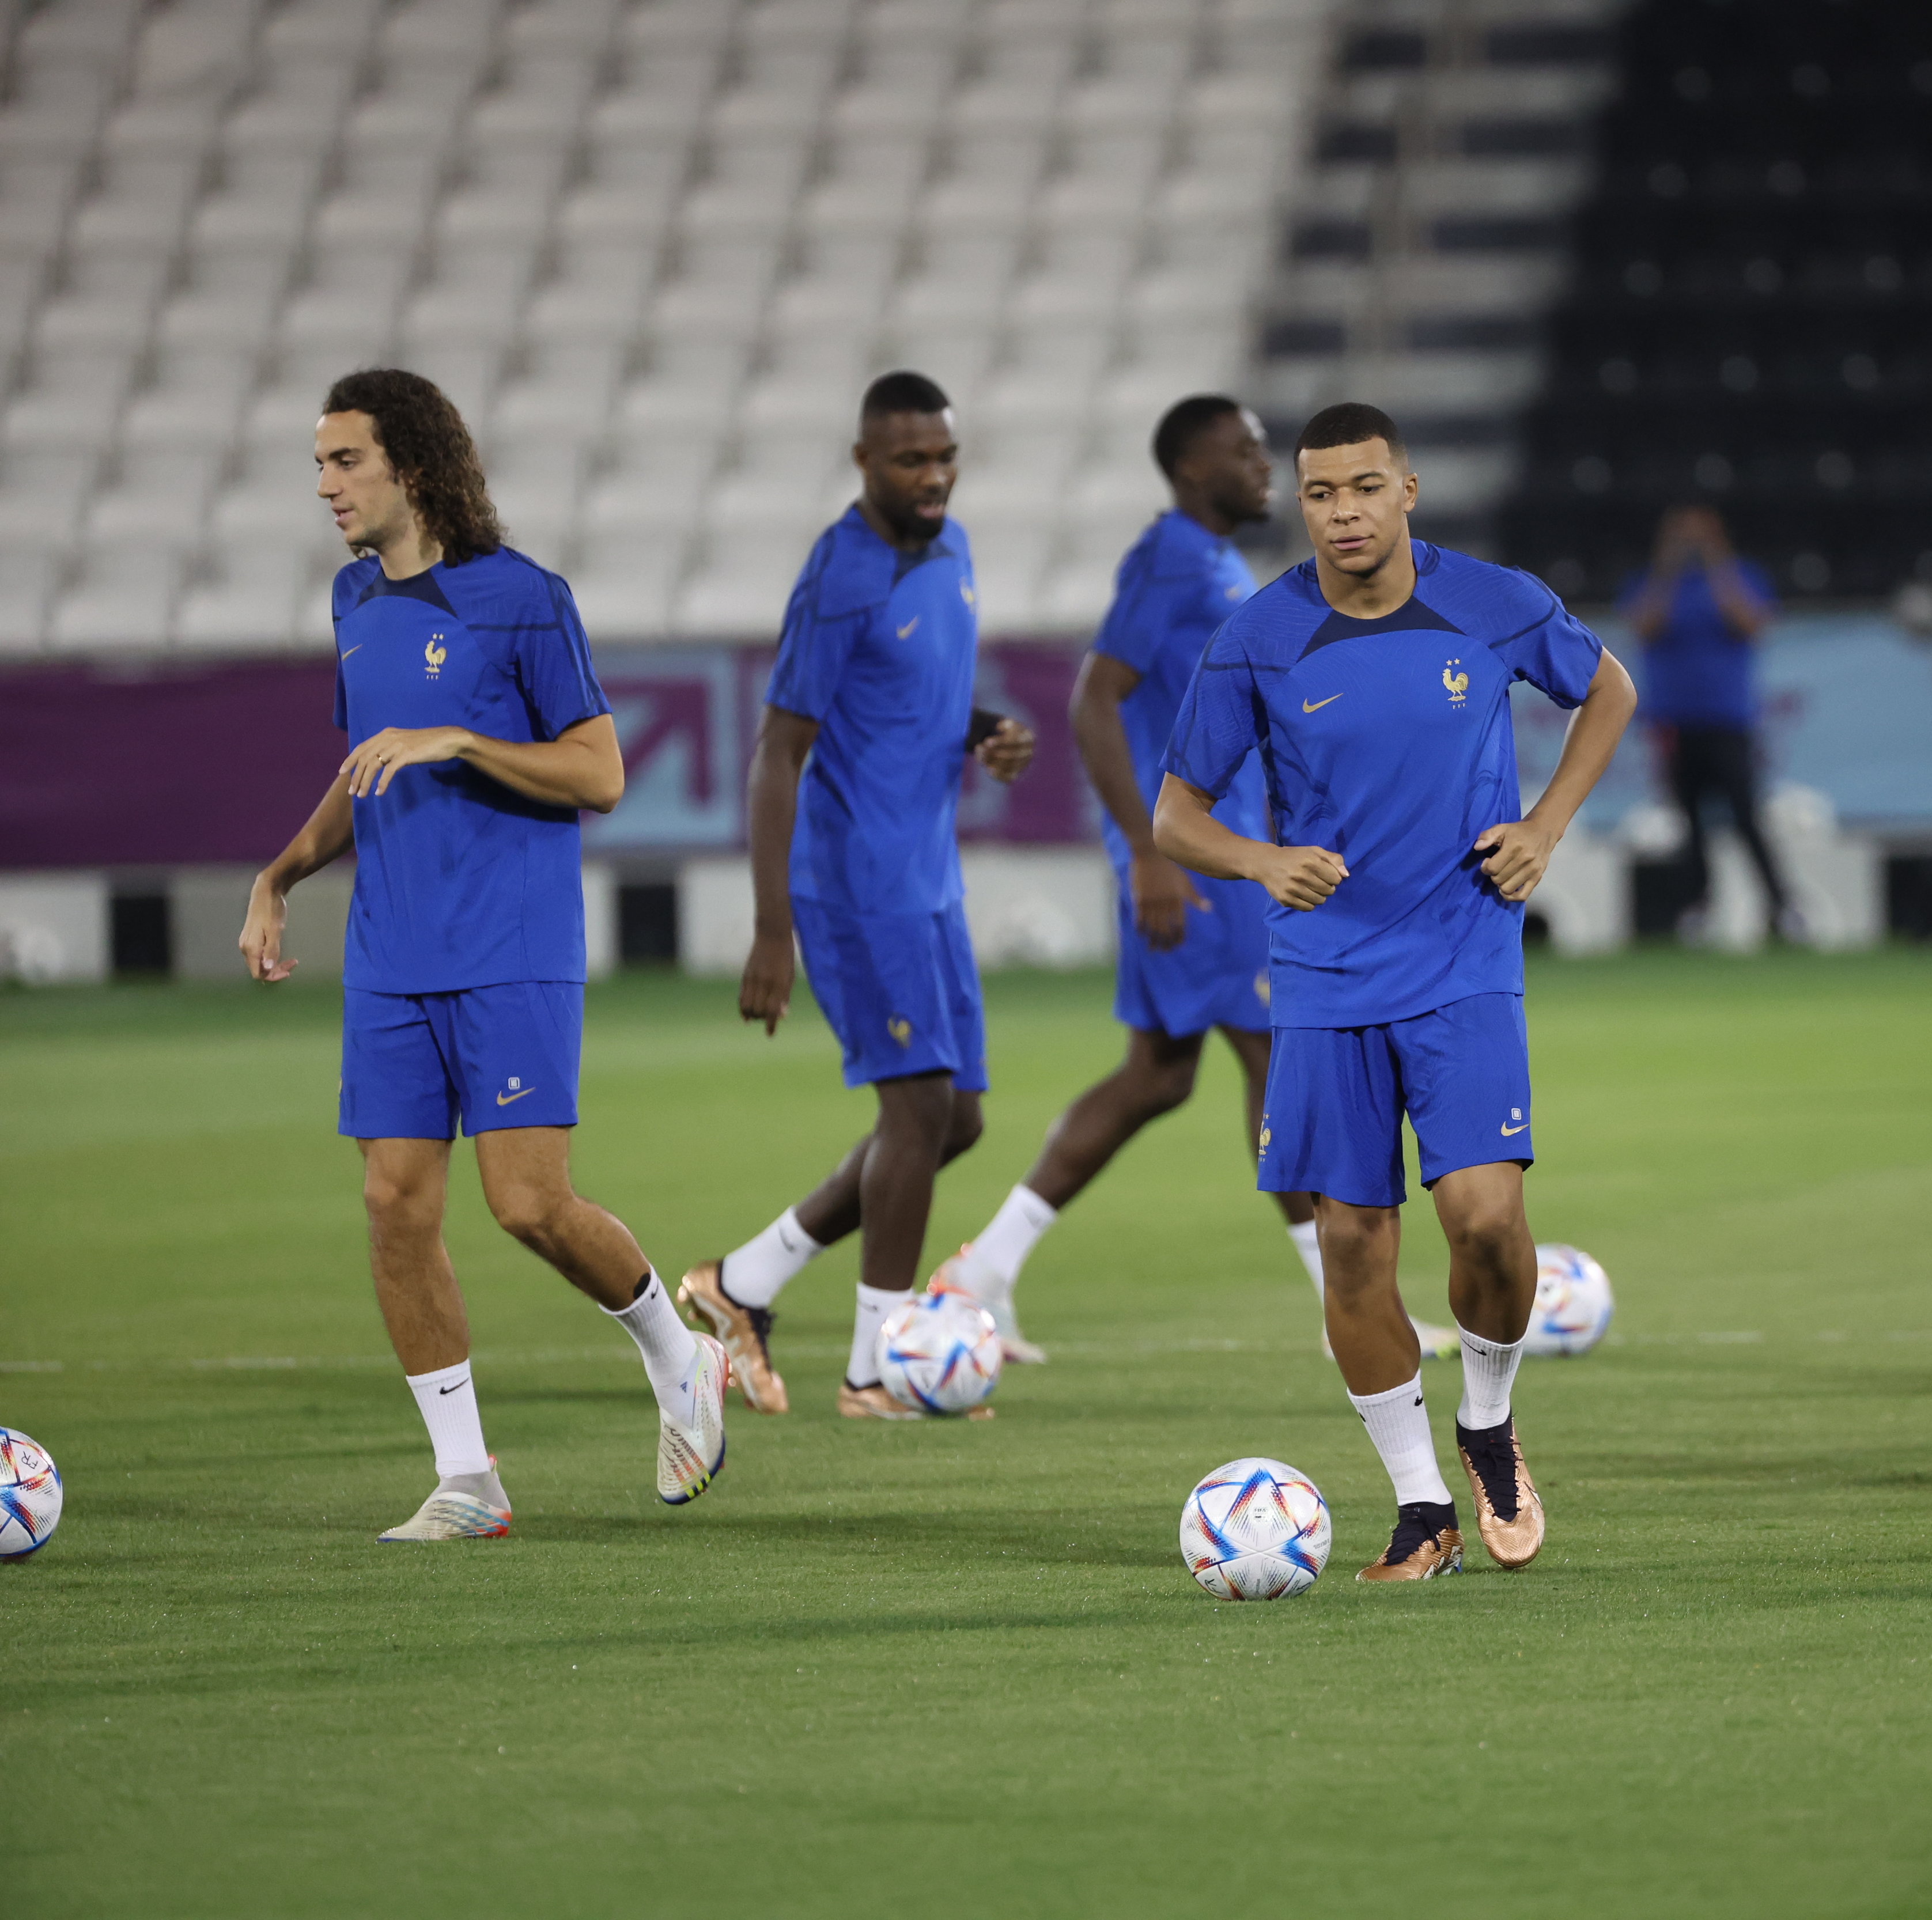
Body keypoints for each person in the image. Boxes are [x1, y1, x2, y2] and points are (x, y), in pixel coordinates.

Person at [237, 368, 727, 1540]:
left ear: (411, 461)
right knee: (393, 1203)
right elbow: (371, 767)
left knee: (527, 1205)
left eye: (344, 460)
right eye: (317, 463)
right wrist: (281, 872)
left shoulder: (523, 599)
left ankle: (679, 1353)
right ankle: (468, 1479)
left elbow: (601, 772)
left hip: (511, 945)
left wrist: (465, 736)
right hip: (390, 954)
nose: (324, 486)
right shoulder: (356, 603)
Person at [1153, 403, 1636, 1580]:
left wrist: (1545, 822)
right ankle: (1422, 1509)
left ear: (1407, 490)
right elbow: (1175, 815)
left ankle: (1487, 1417)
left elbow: (1606, 687)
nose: (1344, 512)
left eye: (1365, 488)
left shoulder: (1492, 600)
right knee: (1355, 1245)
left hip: (1464, 954)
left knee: (1486, 1218)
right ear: (1303, 504)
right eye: (1320, 493)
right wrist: (1263, 862)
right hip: (1323, 977)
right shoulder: (1259, 636)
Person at [925, 395, 1454, 1361]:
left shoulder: (1213, 561)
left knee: (1160, 1076)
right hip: (1203, 869)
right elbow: (1095, 700)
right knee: (1281, 1061)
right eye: (1244, 450)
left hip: (1222, 858)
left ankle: (983, 1269)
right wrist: (1152, 853)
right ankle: (1353, 1306)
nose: (1264, 466)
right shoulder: (1169, 558)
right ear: (1189, 468)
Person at [676, 372, 1035, 1419]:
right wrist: (772, 928)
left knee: (957, 1120)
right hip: (854, 884)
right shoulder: (840, 575)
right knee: (918, 1104)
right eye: (911, 460)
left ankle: (740, 1284)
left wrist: (981, 730)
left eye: (945, 457)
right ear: (864, 463)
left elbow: (907, 688)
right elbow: (777, 752)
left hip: (927, 876)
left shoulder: (953, 549)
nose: (933, 477)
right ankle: (876, 1368)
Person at [1617, 503, 1794, 940]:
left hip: (1728, 719)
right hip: (1675, 721)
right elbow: (1644, 626)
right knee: (1689, 822)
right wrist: (1668, 567)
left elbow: (1749, 622)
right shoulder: (1654, 582)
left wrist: (1717, 563)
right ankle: (1697, 909)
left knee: (1746, 816)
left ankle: (1781, 908)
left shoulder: (1739, 576)